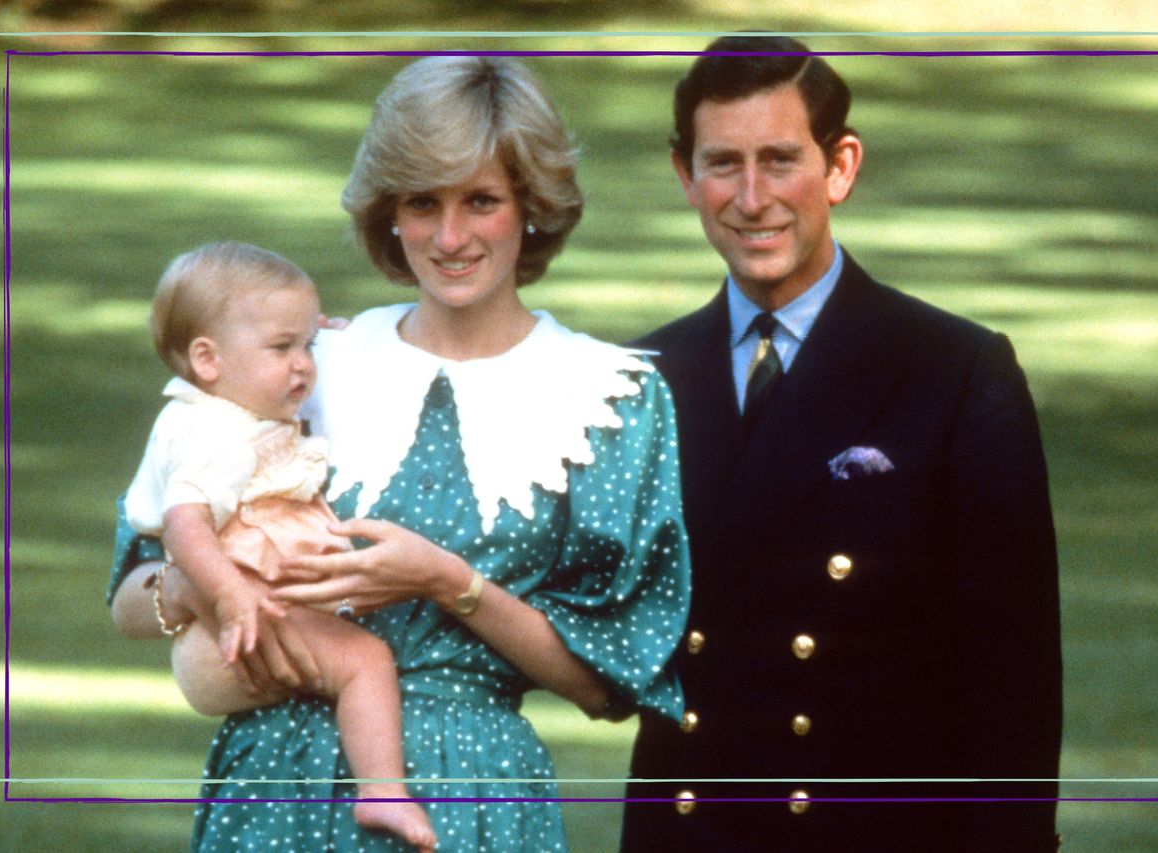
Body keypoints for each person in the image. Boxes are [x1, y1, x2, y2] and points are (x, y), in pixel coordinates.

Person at [108, 55, 690, 853]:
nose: (450, 237)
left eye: (481, 201)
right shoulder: (303, 366)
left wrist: (448, 581)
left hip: (469, 797)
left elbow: (608, 685)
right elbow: (130, 598)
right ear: (390, 212)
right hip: (275, 786)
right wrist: (217, 577)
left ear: (532, 208)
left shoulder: (610, 399)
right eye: (423, 202)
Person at [620, 36, 1062, 852]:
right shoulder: (641, 375)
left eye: (781, 159)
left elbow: (1014, 677)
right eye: (723, 164)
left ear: (841, 166)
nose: (752, 198)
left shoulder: (953, 370)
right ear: (684, 175)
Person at [123, 242, 435, 852]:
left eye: (307, 346)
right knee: (366, 661)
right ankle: (384, 795)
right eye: (281, 348)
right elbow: (184, 524)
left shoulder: (225, 410)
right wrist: (231, 595)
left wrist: (326, 344)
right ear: (207, 359)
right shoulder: (212, 435)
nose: (303, 366)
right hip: (234, 632)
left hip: (236, 630)